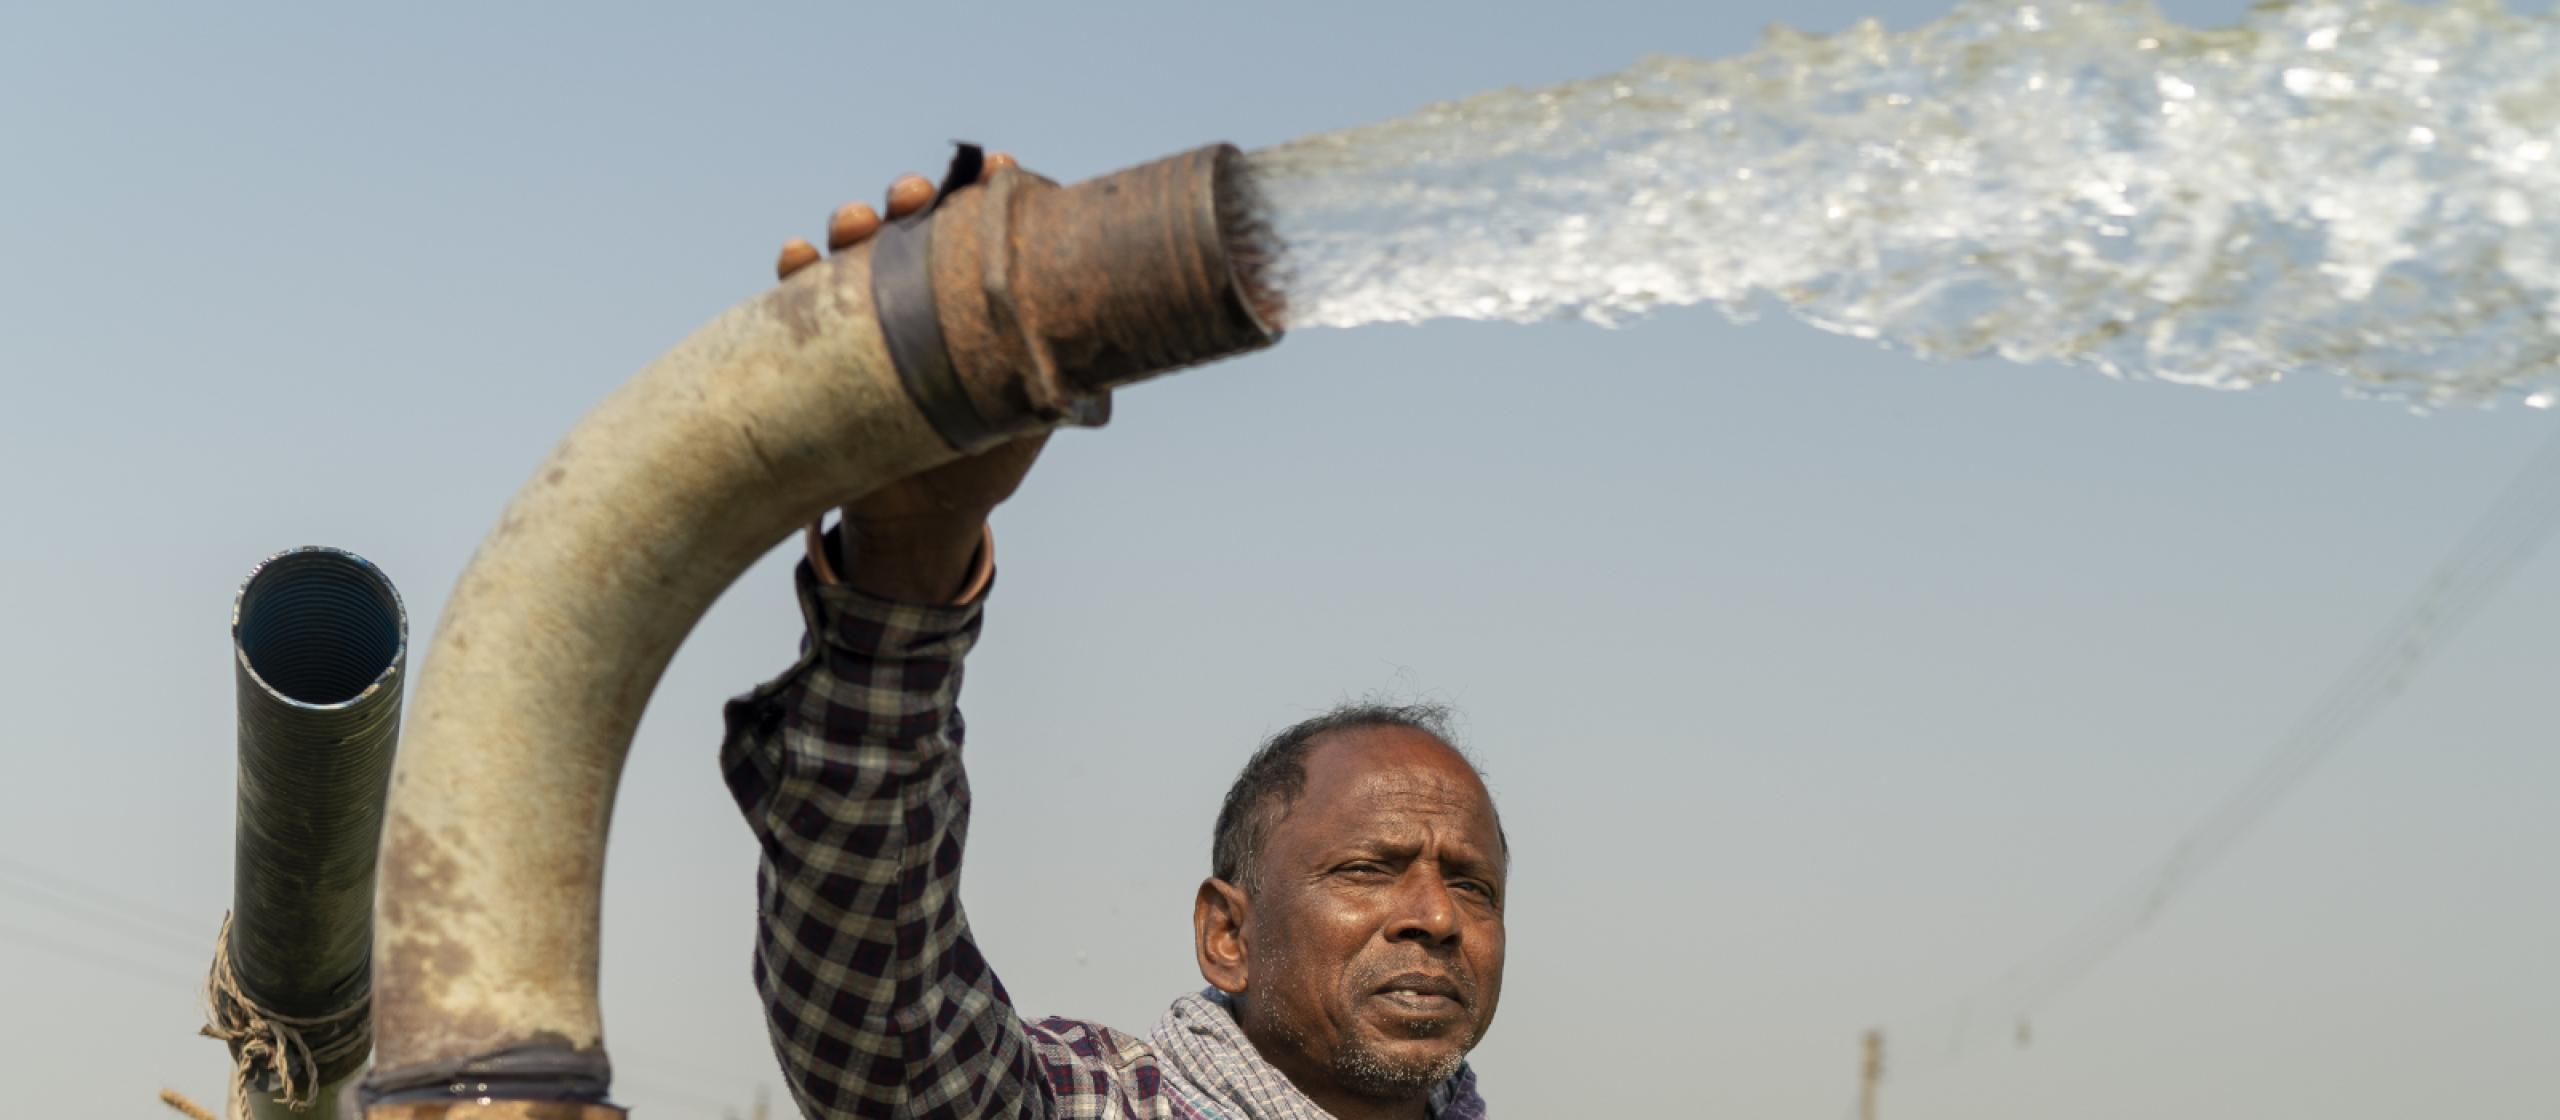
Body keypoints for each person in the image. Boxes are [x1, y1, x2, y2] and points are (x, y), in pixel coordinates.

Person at [720, 159, 1507, 1120]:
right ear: (1228, 934)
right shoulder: (1100, 1104)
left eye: (1473, 887)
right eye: (1368, 870)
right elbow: (886, 1032)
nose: (1435, 920)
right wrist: (908, 564)